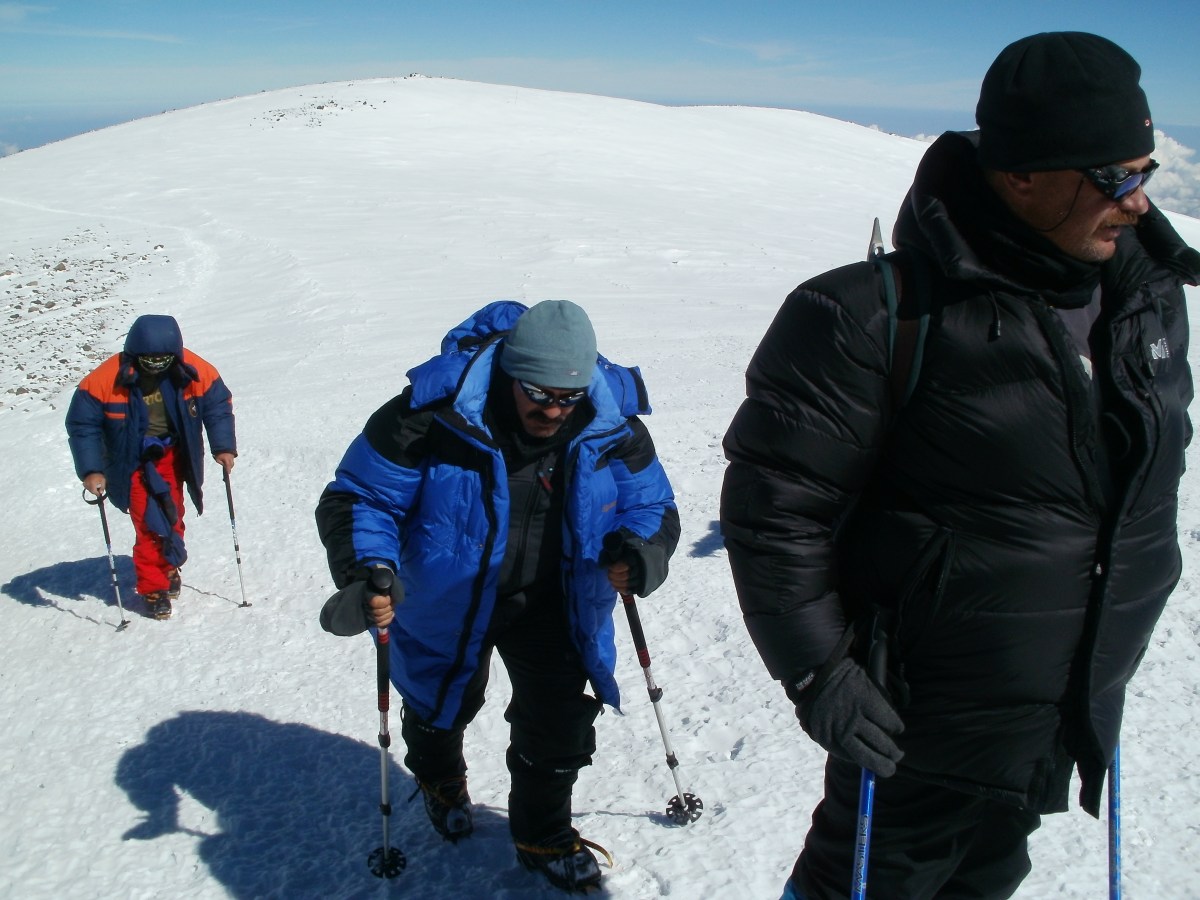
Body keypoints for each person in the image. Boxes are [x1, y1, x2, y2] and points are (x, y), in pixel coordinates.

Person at [721, 32, 1199, 899]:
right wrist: (818, 670)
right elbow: (775, 509)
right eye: (1113, 178)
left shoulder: (1146, 298)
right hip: (914, 729)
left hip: (1060, 713)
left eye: (1147, 171)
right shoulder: (871, 315)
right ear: (1020, 174)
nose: (1137, 203)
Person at [316, 299, 679, 893]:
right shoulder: (430, 414)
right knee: (439, 704)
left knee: (558, 719)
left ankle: (543, 834)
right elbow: (360, 496)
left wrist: (641, 552)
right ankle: (440, 780)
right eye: (539, 394)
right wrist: (366, 569)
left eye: (568, 397)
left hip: (557, 599)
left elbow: (651, 504)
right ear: (512, 373)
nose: (554, 411)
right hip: (446, 596)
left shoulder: (613, 424)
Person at [66, 314, 237, 620]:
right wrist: (91, 470)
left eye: (163, 358)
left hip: (173, 455)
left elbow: (217, 405)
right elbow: (83, 424)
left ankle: (168, 565)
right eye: (150, 359)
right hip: (130, 460)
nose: (157, 364)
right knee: (148, 525)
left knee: (173, 514)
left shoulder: (193, 370)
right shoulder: (107, 379)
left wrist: (223, 447)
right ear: (135, 353)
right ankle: (152, 587)